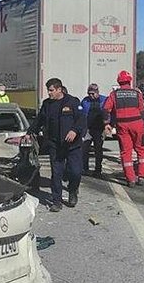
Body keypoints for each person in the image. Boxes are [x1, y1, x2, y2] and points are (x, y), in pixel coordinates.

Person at [27, 78, 86, 212]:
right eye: (48, 90)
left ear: (59, 89)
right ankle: (56, 201)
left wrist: (74, 130)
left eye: (51, 90)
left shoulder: (72, 102)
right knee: (57, 174)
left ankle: (72, 191)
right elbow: (39, 120)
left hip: (72, 145)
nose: (49, 93)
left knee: (75, 172)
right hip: (55, 144)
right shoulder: (47, 104)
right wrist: (30, 132)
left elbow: (82, 119)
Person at [103, 70, 144, 187]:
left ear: (119, 81)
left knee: (125, 152)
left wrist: (107, 123)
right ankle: (142, 176)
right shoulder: (137, 93)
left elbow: (106, 109)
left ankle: (130, 179)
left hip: (122, 126)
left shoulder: (114, 94)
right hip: (137, 124)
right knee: (141, 149)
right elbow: (142, 110)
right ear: (129, 80)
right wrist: (143, 124)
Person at [81, 83, 107, 177]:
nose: (91, 95)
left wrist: (108, 124)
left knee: (98, 150)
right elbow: (81, 112)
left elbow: (109, 112)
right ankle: (84, 168)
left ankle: (98, 169)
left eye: (93, 93)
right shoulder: (85, 101)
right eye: (89, 93)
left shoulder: (104, 100)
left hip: (99, 129)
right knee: (84, 148)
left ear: (97, 92)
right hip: (88, 128)